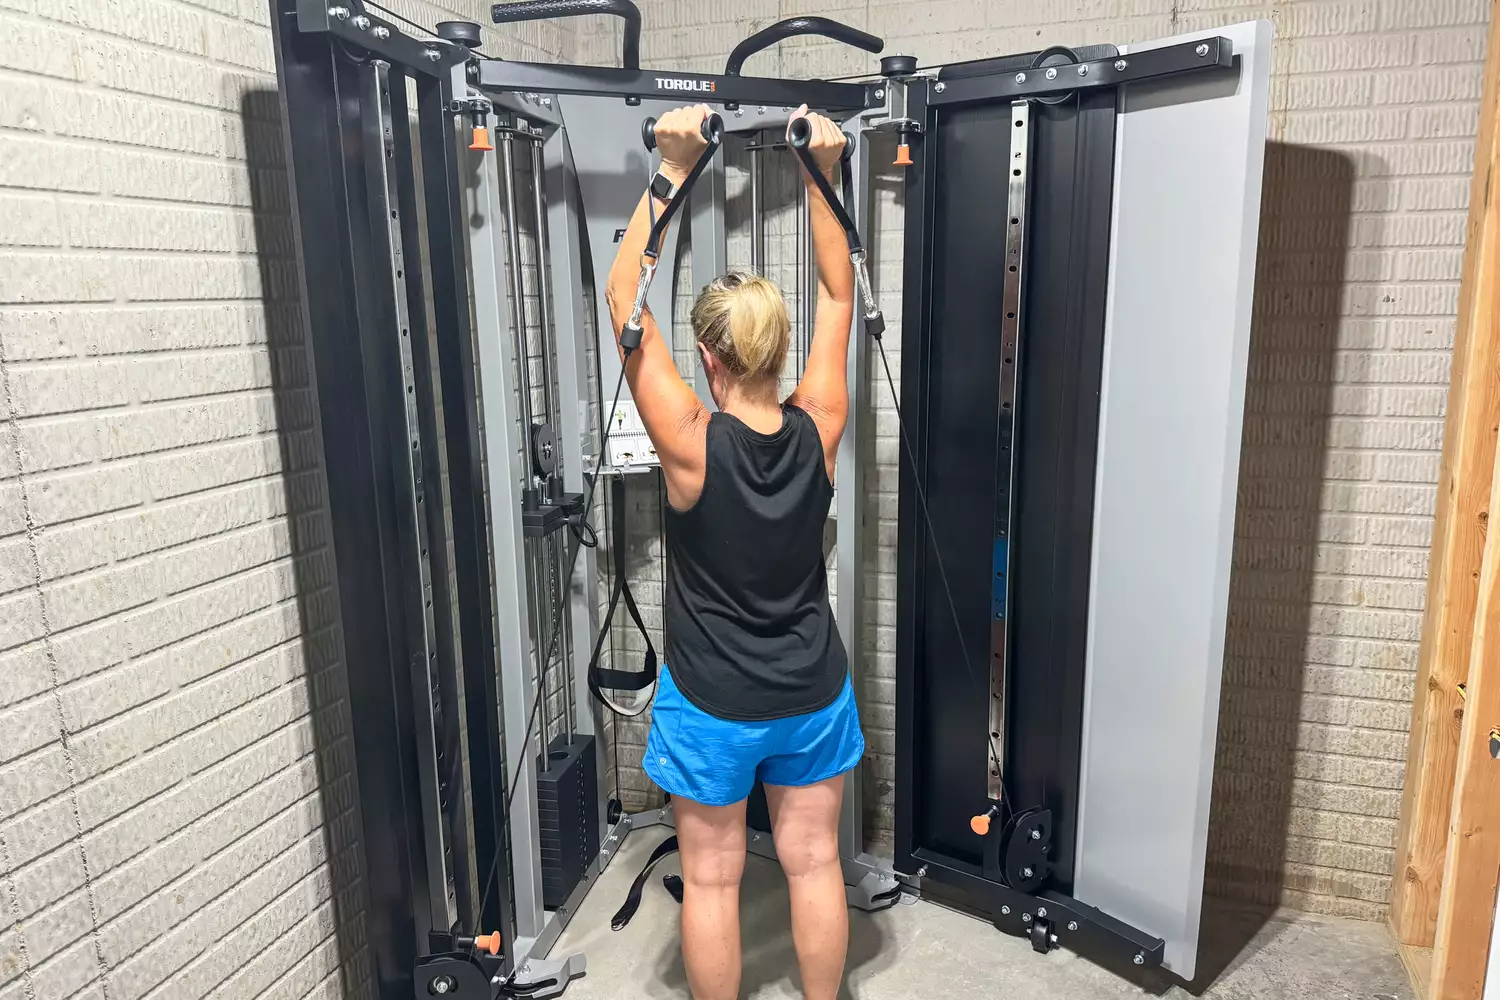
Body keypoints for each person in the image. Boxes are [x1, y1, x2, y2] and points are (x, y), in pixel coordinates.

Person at [604, 103, 863, 1000]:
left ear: (709, 356)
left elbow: (621, 304)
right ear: (776, 349)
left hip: (714, 701)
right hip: (811, 689)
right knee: (813, 863)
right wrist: (820, 175)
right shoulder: (821, 422)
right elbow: (840, 294)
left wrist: (674, 170)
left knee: (713, 879)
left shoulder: (687, 439)